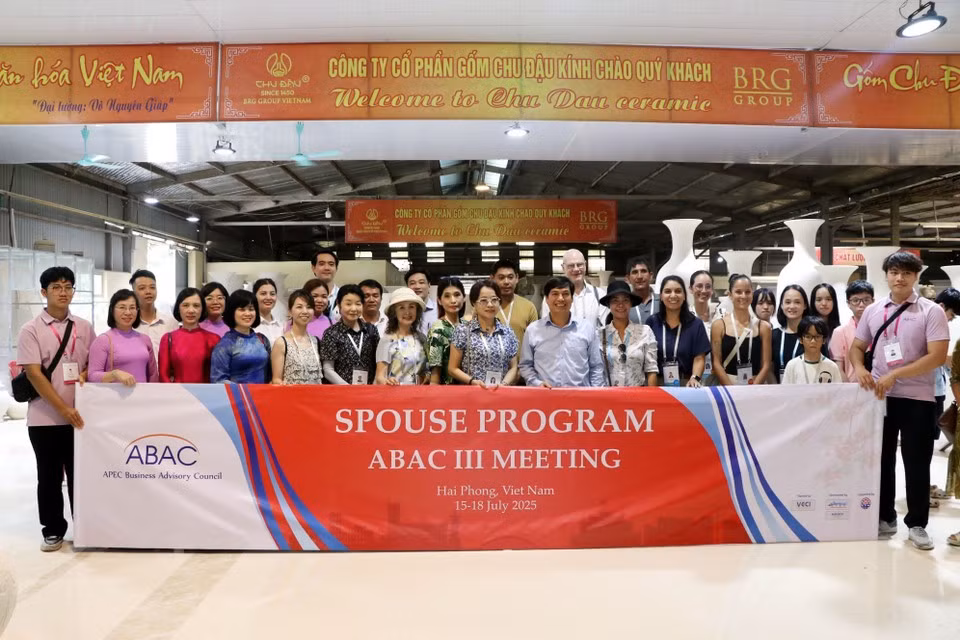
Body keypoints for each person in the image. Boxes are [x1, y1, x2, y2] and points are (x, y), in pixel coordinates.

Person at [849, 251, 949, 550]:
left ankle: (917, 524)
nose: (900, 277)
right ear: (887, 275)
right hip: (880, 398)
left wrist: (897, 374)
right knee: (881, 460)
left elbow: (938, 356)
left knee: (917, 462)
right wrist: (860, 367)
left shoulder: (930, 311)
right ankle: (885, 517)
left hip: (918, 398)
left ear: (916, 276)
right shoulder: (873, 310)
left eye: (906, 272)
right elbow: (857, 346)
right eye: (894, 271)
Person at [16, 266, 95, 552]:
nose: (63, 292)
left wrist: (86, 372)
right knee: (49, 476)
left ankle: (85, 526)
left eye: (68, 286)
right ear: (44, 292)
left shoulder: (84, 326)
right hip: (44, 418)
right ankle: (52, 528)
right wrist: (63, 409)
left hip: (81, 417)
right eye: (56, 287)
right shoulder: (31, 329)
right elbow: (35, 375)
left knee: (80, 474)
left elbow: (91, 363)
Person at [522, 276, 604, 388]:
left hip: (580, 399)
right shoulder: (533, 330)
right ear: (546, 299)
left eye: (565, 294)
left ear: (572, 298)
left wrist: (596, 395)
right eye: (555, 294)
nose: (560, 298)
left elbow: (596, 366)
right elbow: (525, 365)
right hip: (545, 398)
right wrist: (537, 383)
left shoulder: (587, 328)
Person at [449, 280, 520, 387]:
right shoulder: (463, 331)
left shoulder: (508, 332)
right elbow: (452, 368)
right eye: (483, 300)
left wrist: (504, 384)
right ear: (474, 303)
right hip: (473, 394)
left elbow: (514, 367)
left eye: (494, 300)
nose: (490, 304)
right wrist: (471, 381)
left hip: (501, 394)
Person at [646, 276, 710, 388]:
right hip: (657, 385)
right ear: (661, 296)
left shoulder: (696, 324)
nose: (673, 295)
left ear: (684, 296)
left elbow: (699, 358)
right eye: (667, 291)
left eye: (678, 291)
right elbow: (647, 359)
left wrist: (694, 378)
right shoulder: (652, 322)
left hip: (687, 385)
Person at [88, 289, 160, 386]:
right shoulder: (103, 340)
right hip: (115, 399)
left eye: (132, 308)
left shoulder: (145, 339)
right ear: (112, 310)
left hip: (142, 398)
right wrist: (115, 374)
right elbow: (92, 376)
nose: (128, 312)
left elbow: (153, 375)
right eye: (122, 307)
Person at [711, 274, 772, 385]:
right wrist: (733, 391)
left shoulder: (764, 327)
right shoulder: (719, 325)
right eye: (738, 292)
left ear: (752, 295)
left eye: (747, 292)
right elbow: (716, 363)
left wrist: (753, 389)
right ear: (730, 295)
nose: (743, 296)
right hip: (727, 387)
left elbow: (766, 365)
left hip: (755, 386)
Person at [597, 280, 658, 387]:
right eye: (615, 300)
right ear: (608, 304)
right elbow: (597, 371)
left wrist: (650, 400)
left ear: (631, 304)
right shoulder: (599, 334)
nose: (620, 305)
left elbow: (651, 370)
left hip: (638, 398)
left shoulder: (645, 331)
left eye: (625, 300)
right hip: (609, 398)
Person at [319, 284, 379, 385]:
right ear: (339, 304)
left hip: (369, 391)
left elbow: (379, 362)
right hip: (342, 393)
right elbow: (328, 369)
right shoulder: (331, 333)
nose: (354, 309)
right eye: (348, 304)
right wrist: (348, 389)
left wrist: (374, 385)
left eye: (358, 304)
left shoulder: (371, 330)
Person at [157, 287, 221, 383]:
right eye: (185, 305)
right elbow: (163, 376)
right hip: (176, 395)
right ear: (178, 308)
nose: (191, 310)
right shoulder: (168, 339)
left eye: (196, 306)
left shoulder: (214, 339)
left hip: (206, 396)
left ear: (202, 309)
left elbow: (218, 375)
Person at [210, 290, 272, 384]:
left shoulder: (262, 340)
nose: (247, 313)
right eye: (242, 309)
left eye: (251, 309)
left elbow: (270, 376)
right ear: (232, 312)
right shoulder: (224, 345)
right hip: (237, 397)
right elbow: (218, 381)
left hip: (263, 397)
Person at [540, 249, 607, 328]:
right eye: (571, 266)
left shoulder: (600, 295)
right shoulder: (553, 297)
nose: (576, 269)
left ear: (585, 265)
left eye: (579, 265)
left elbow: (604, 328)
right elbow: (546, 327)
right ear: (563, 268)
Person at [376, 288, 428, 385]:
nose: (407, 312)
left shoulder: (421, 338)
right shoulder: (387, 340)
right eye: (401, 308)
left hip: (419, 395)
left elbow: (424, 369)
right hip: (396, 396)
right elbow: (380, 377)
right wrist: (388, 382)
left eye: (411, 307)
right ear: (394, 313)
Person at [270, 290, 323, 385]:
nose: (305, 311)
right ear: (290, 311)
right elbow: (276, 380)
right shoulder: (281, 343)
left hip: (317, 397)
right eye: (299, 307)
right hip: (292, 397)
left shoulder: (316, 341)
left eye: (309, 307)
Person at [830, 280, 875, 382]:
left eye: (866, 300)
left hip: (880, 387)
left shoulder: (881, 328)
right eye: (855, 300)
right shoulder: (840, 332)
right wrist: (848, 392)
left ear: (873, 301)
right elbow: (839, 368)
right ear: (848, 304)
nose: (861, 305)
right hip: (853, 387)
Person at [427, 277, 465, 385]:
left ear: (464, 297)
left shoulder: (468, 326)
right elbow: (435, 373)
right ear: (439, 300)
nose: (453, 300)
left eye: (457, 295)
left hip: (470, 388)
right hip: (447, 391)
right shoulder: (438, 329)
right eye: (447, 296)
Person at [781, 316, 842, 384]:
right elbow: (786, 392)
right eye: (808, 337)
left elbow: (837, 392)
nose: (813, 341)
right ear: (801, 339)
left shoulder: (832, 366)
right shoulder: (792, 365)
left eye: (817, 337)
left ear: (824, 340)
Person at [491, 259, 538, 345]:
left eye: (510, 277)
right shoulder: (485, 307)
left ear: (517, 278)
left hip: (522, 358)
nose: (506, 282)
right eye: (501, 278)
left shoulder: (528, 307)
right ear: (492, 279)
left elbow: (535, 341)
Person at [129, 269, 177, 354]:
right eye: (142, 288)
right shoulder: (130, 324)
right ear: (134, 293)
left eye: (152, 287)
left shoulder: (170, 322)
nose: (148, 291)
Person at [771, 285, 810, 383]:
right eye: (787, 302)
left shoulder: (812, 335)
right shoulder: (773, 335)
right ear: (781, 305)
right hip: (779, 392)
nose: (792, 306)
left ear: (805, 305)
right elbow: (769, 368)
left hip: (806, 391)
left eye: (797, 302)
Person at [625, 257, 658, 325]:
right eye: (635, 272)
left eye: (643, 271)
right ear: (628, 278)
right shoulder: (624, 304)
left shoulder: (662, 301)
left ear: (651, 276)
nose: (639, 276)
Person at [405, 266, 439, 333]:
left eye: (421, 282)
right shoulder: (402, 312)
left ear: (429, 285)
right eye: (412, 283)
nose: (417, 286)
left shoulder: (440, 310)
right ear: (407, 287)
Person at [253, 278, 284, 346]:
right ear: (254, 296)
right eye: (263, 294)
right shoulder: (250, 325)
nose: (268, 297)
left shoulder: (282, 326)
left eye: (272, 294)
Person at [311, 248, 340, 321]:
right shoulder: (305, 296)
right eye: (321, 264)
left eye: (331, 264)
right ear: (313, 268)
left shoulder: (343, 295)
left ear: (336, 268)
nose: (327, 268)